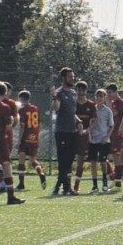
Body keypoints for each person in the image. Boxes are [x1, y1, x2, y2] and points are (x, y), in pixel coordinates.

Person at [51, 67, 79, 196]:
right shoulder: (59, 93)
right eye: (69, 76)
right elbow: (57, 108)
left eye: (73, 76)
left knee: (69, 160)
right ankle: (64, 187)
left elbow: (72, 112)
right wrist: (54, 97)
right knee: (63, 160)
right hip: (62, 130)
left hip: (72, 131)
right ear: (63, 78)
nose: (72, 79)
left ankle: (62, 186)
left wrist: (78, 121)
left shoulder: (73, 93)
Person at [15, 90, 46, 191]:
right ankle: (40, 173)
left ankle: (21, 183)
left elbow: (22, 126)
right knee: (33, 160)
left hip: (26, 137)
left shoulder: (22, 110)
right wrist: (37, 136)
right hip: (34, 137)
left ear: (21, 99)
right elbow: (40, 124)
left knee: (21, 159)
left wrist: (19, 141)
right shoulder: (35, 108)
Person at [72, 80, 97, 195]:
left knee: (84, 161)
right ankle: (67, 185)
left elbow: (93, 121)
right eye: (78, 90)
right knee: (69, 161)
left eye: (83, 90)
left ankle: (76, 186)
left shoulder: (91, 105)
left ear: (86, 91)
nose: (80, 92)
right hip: (73, 135)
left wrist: (87, 130)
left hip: (86, 136)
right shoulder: (73, 103)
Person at [88, 88, 114, 194]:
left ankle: (104, 183)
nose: (99, 98)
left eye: (101, 96)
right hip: (93, 139)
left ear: (104, 98)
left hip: (104, 140)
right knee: (93, 162)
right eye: (97, 96)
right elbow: (89, 124)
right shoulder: (92, 109)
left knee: (103, 162)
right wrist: (90, 136)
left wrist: (106, 137)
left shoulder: (108, 111)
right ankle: (94, 185)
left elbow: (111, 126)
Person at [107, 83, 123, 190]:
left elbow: (113, 114)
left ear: (115, 92)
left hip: (118, 134)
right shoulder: (113, 102)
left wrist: (108, 103)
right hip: (112, 133)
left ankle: (118, 184)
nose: (108, 95)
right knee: (114, 158)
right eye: (107, 93)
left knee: (117, 158)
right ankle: (115, 180)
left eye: (110, 93)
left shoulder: (121, 103)